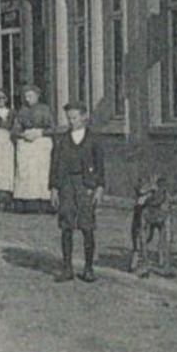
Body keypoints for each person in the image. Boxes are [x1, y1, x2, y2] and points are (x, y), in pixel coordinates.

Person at [49, 102, 104, 282]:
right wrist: (54, 188)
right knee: (66, 226)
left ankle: (88, 268)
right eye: (69, 118)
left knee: (87, 226)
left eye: (75, 117)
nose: (71, 121)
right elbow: (54, 165)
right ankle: (67, 268)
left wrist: (99, 188)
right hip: (66, 185)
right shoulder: (62, 140)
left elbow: (100, 166)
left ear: (84, 117)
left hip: (85, 185)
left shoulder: (94, 139)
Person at [11, 84, 55, 213]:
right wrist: (22, 134)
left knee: (41, 171)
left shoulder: (45, 109)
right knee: (26, 172)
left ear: (37, 96)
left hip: (41, 143)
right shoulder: (22, 111)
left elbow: (52, 128)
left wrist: (40, 133)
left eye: (30, 96)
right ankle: (28, 202)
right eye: (26, 96)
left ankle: (45, 202)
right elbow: (15, 129)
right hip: (26, 144)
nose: (28, 99)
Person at [128, 173, 175, 278]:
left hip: (162, 210)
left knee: (167, 237)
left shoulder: (164, 200)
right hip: (147, 210)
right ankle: (141, 260)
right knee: (142, 235)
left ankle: (166, 265)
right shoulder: (142, 203)